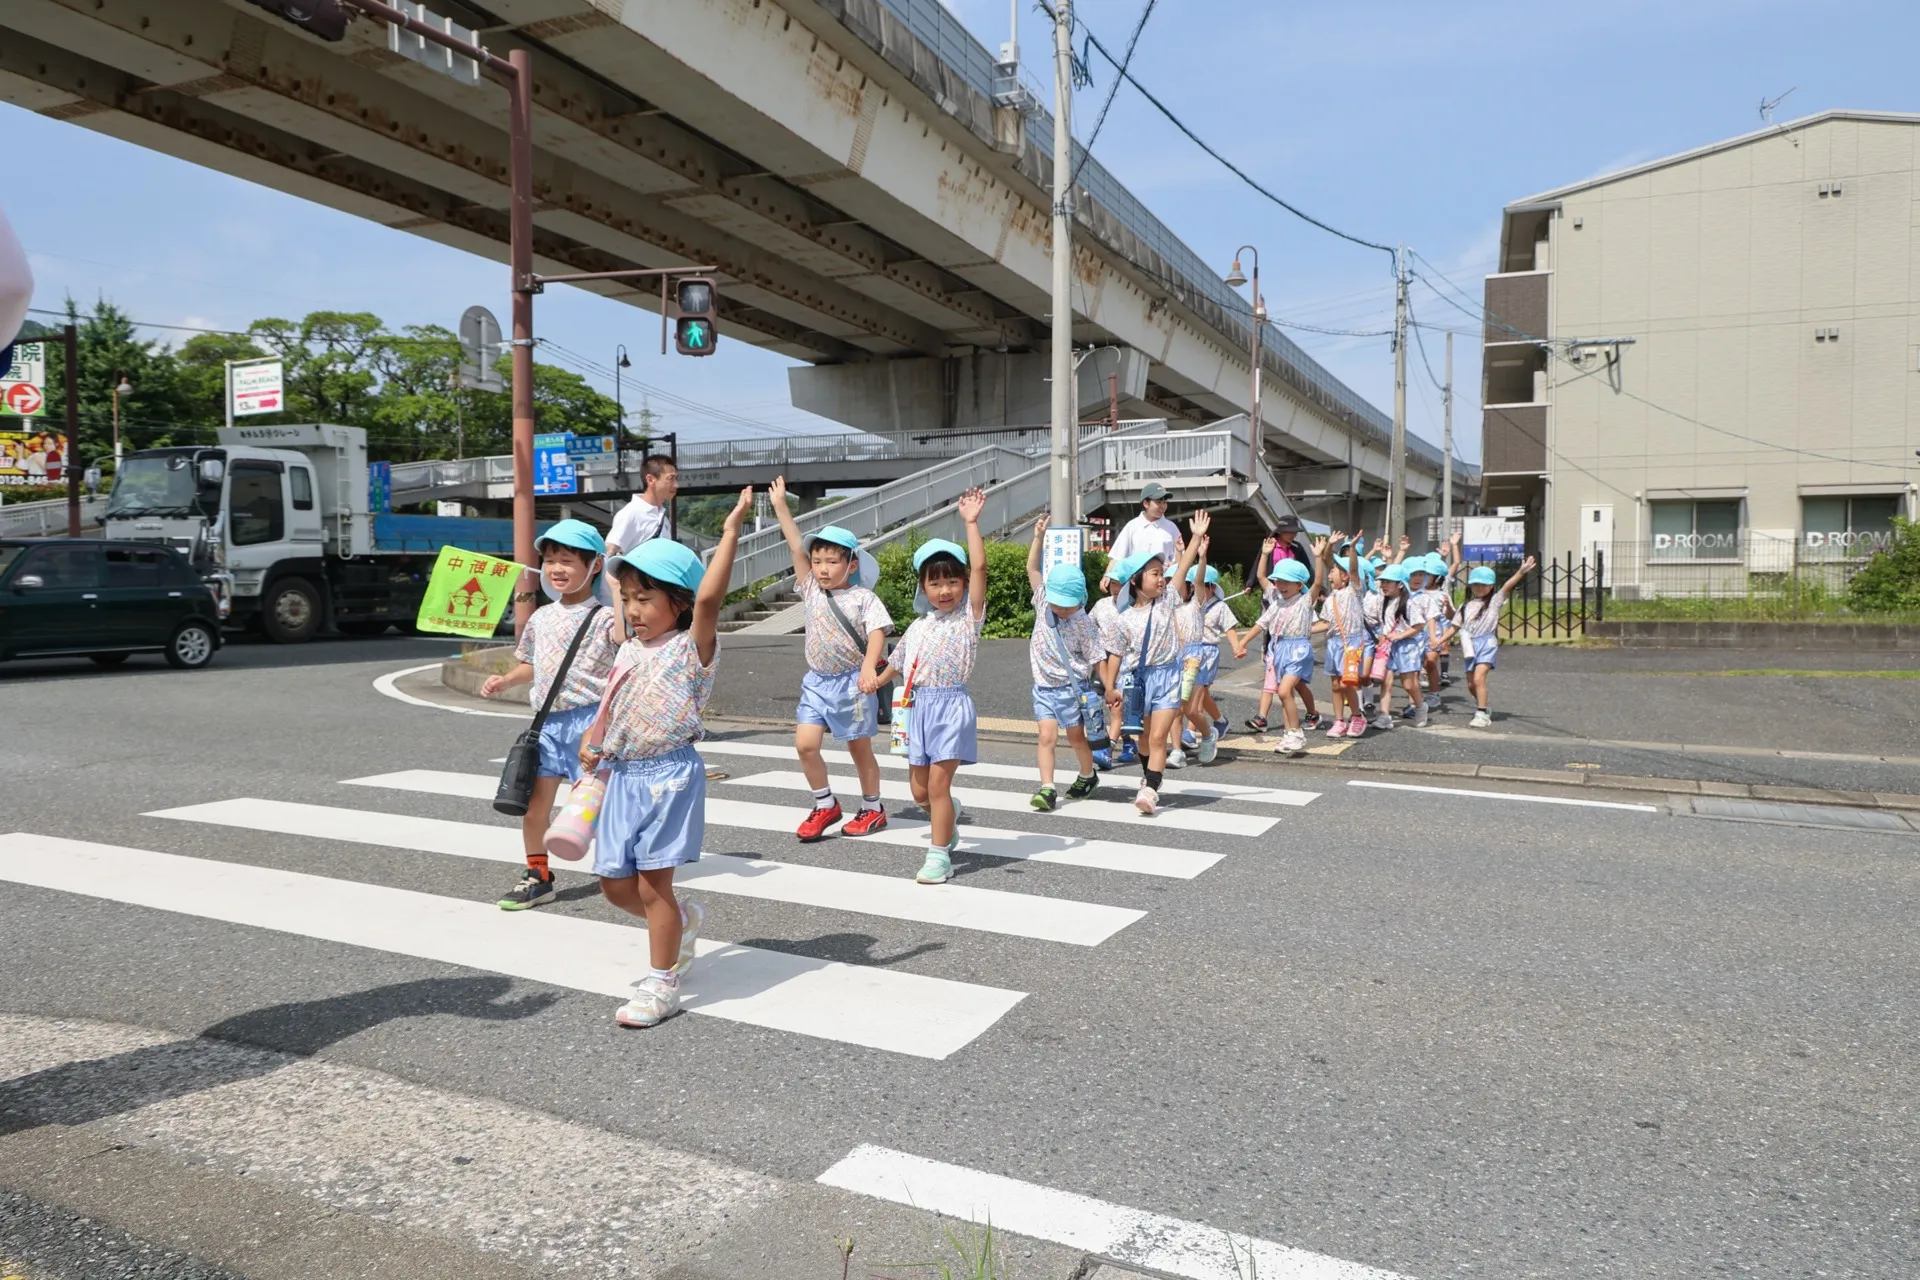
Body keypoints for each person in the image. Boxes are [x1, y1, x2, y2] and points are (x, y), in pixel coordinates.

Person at [582, 487, 751, 1029]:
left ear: (678, 602)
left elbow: (709, 602)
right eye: (627, 597)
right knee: (614, 884)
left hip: (670, 775)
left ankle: (662, 982)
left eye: (644, 598)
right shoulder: (628, 649)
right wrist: (594, 740)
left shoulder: (691, 648)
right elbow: (609, 706)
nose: (632, 609)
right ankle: (680, 922)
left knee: (654, 883)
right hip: (622, 774)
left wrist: (729, 532)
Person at [480, 520, 623, 911]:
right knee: (534, 806)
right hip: (545, 724)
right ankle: (538, 876)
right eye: (550, 560)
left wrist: (618, 593)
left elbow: (628, 655)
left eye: (567, 560)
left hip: (590, 722)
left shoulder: (607, 618)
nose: (556, 568)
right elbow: (535, 666)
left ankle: (623, 866)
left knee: (594, 804)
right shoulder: (541, 618)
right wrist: (506, 679)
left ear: (594, 566)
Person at [871, 489, 989, 885]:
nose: (945, 590)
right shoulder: (919, 627)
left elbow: (981, 569)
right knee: (920, 792)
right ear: (923, 587)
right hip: (917, 709)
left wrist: (970, 523)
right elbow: (898, 663)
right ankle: (947, 816)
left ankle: (939, 855)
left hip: (951, 706)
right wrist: (875, 681)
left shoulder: (968, 619)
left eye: (952, 581)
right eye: (935, 583)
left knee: (938, 785)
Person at [766, 476, 892, 840]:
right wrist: (780, 508)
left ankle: (873, 807)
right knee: (805, 744)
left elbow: (877, 633)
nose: (821, 568)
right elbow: (795, 548)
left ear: (851, 565)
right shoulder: (810, 589)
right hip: (817, 682)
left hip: (852, 684)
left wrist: (869, 666)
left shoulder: (863, 598)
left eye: (831, 562)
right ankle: (825, 804)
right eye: (818, 560)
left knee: (859, 749)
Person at [1102, 511, 1207, 815]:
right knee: (1144, 739)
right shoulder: (1122, 617)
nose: (1162, 579)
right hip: (1137, 682)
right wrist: (1110, 687)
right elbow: (1115, 655)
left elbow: (1183, 566)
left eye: (1162, 573)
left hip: (1168, 677)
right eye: (1155, 574)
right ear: (1135, 581)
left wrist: (1197, 538)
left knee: (1159, 736)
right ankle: (1150, 776)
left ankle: (1150, 789)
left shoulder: (1169, 600)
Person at [1024, 514, 1104, 811]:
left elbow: (1097, 656)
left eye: (1067, 604)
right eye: (1057, 602)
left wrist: (1105, 688)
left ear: (1080, 601)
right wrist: (1038, 538)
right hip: (1043, 687)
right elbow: (1032, 568)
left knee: (1075, 737)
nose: (1060, 608)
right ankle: (1047, 788)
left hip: (1071, 689)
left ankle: (1088, 774)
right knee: (1046, 737)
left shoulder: (1083, 622)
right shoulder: (1044, 598)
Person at [1234, 537, 1327, 756]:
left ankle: (1296, 733)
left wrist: (1318, 557)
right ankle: (1288, 734)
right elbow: (1260, 624)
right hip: (1280, 649)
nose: (1281, 585)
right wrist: (1242, 643)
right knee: (1286, 695)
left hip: (1298, 650)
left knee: (1284, 691)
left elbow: (1318, 582)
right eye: (1279, 581)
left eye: (1286, 581)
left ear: (1299, 585)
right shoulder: (1277, 602)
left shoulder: (1305, 602)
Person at [1441, 557, 1536, 727]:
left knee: (1479, 678)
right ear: (1470, 586)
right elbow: (1454, 627)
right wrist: (1439, 641)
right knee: (1471, 684)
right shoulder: (1465, 606)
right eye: (1476, 584)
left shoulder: (1494, 601)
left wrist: (1521, 572)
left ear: (1491, 586)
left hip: (1486, 643)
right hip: (1470, 645)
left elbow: (1508, 586)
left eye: (1484, 585)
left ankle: (1482, 713)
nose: (1479, 588)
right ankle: (1483, 706)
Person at [1176, 543, 1237, 766]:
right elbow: (1179, 571)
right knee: (1178, 707)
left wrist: (1201, 557)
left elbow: (1197, 580)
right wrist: (1181, 553)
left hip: (1199, 657)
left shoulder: (1199, 604)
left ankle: (1204, 733)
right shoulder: (1171, 604)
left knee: (1192, 706)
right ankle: (1177, 747)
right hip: (1176, 658)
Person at [1318, 534, 1374, 739]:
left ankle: (1357, 716)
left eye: (1334, 570)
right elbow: (1325, 624)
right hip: (1333, 642)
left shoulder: (1354, 590)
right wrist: (1305, 631)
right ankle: (1339, 720)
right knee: (1335, 684)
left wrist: (1351, 548)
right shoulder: (1330, 598)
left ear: (1345, 577)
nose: (1330, 572)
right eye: (1331, 570)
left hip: (1351, 642)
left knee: (1346, 682)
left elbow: (1352, 569)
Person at [1102, 481, 1183, 588]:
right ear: (1146, 503)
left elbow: (1181, 560)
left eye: (1165, 502)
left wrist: (1173, 565)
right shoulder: (1132, 526)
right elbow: (1117, 557)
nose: (1163, 506)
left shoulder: (1171, 527)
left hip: (1163, 585)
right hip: (1136, 586)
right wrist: (1107, 576)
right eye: (1158, 502)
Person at [1086, 578, 1130, 768]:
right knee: (1095, 706)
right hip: (1101, 662)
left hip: (1125, 663)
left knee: (1117, 708)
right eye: (1113, 584)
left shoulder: (1135, 605)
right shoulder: (1101, 605)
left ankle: (1107, 751)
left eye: (1120, 584)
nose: (1116, 589)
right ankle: (1129, 742)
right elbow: (1087, 627)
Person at [605, 454, 678, 556]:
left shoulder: (663, 519)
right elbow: (609, 553)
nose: (676, 485)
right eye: (671, 478)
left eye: (676, 479)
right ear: (650, 479)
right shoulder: (631, 513)